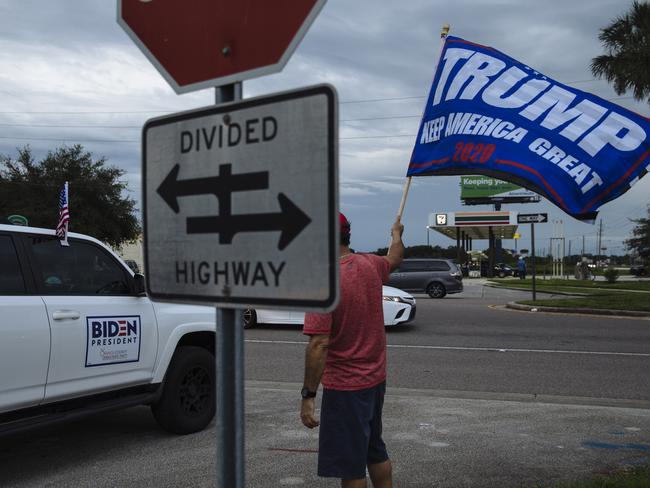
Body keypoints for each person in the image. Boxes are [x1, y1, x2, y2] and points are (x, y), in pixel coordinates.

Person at [300, 212, 404, 488]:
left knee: (351, 466)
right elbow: (394, 258)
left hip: (346, 388)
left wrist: (308, 395)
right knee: (374, 450)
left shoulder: (323, 281)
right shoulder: (370, 263)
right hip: (375, 381)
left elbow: (318, 344)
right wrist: (397, 235)